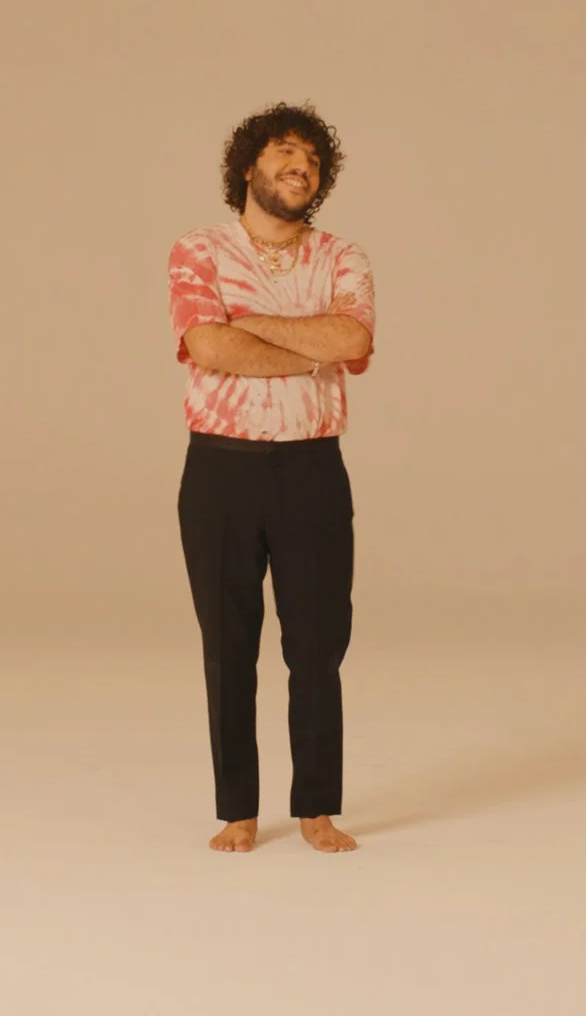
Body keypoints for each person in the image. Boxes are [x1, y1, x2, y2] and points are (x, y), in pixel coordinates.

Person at [166, 102, 377, 854]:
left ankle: (317, 805)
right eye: (286, 151)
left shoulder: (342, 257)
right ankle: (238, 811)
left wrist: (247, 322)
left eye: (314, 159)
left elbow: (351, 337)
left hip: (312, 469)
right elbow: (208, 347)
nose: (302, 166)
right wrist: (307, 349)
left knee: (318, 646)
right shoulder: (199, 250)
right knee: (228, 648)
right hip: (220, 468)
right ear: (249, 164)